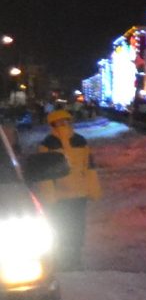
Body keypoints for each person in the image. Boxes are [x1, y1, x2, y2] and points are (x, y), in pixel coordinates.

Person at [31, 109, 101, 267]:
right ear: (53, 124)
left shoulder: (80, 141)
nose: (63, 124)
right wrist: (49, 195)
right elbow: (45, 173)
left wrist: (93, 189)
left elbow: (89, 167)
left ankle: (74, 258)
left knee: (77, 226)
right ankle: (63, 258)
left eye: (66, 121)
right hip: (60, 196)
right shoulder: (48, 144)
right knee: (61, 226)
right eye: (59, 122)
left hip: (79, 194)